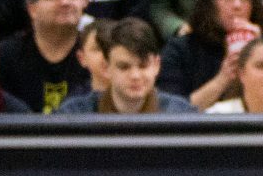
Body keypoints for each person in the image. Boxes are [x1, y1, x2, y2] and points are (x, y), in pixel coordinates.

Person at [0, 0, 89, 112]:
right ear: (32, 9)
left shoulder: (97, 54)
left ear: (84, 4)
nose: (65, 2)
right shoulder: (5, 56)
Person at [58, 18, 194, 115]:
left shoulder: (183, 114)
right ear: (106, 68)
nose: (135, 76)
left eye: (143, 66)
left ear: (156, 65)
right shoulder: (73, 114)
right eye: (124, 67)